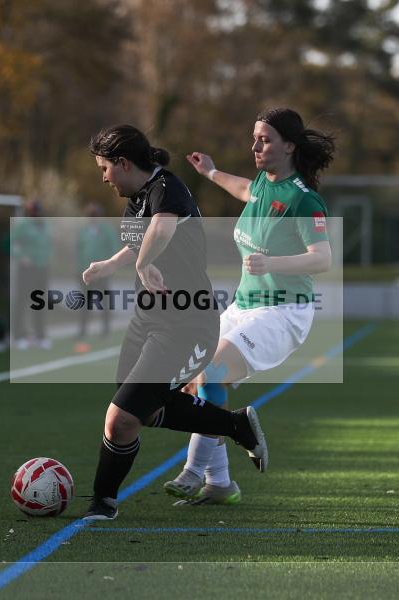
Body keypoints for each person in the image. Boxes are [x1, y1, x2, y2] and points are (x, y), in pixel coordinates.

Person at [81, 124, 268, 520]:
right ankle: (236, 427)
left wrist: (147, 263)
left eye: (104, 168)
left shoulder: (169, 189)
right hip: (146, 323)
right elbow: (138, 244)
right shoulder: (136, 198)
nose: (103, 177)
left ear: (123, 162)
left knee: (121, 418)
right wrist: (111, 264)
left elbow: (162, 229)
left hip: (187, 327)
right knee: (142, 412)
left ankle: (103, 501)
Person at [163, 107, 335, 505]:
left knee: (214, 371)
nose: (255, 145)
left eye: (265, 139)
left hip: (283, 311)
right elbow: (245, 189)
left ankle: (192, 471)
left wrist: (273, 262)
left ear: (289, 146)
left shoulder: (304, 200)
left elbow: (322, 258)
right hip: (244, 306)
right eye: (255, 137)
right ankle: (221, 482)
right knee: (195, 382)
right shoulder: (262, 185)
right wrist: (210, 172)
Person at [9, 199, 51, 350]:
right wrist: (21, 257)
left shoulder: (44, 225)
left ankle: (40, 336)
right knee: (21, 301)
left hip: (42, 268)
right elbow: (11, 243)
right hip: (27, 269)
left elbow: (47, 245)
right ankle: (18, 336)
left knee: (39, 301)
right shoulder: (23, 225)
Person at [76, 203, 120, 338]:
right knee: (85, 303)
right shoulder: (83, 231)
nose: (92, 217)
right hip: (87, 273)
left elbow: (114, 249)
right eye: (90, 215)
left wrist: (108, 267)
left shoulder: (107, 230)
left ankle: (105, 331)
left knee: (104, 302)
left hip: (102, 273)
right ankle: (82, 331)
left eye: (94, 215)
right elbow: (78, 250)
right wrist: (80, 269)